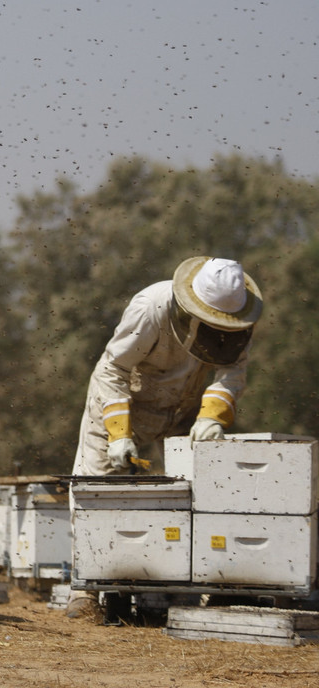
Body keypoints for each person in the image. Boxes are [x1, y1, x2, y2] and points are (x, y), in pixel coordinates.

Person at [65, 256, 263, 618]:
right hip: (125, 403)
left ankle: (199, 583)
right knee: (96, 487)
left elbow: (233, 372)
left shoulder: (239, 321)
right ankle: (85, 589)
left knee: (203, 489)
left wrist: (212, 417)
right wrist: (119, 432)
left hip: (185, 408)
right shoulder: (150, 308)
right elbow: (113, 368)